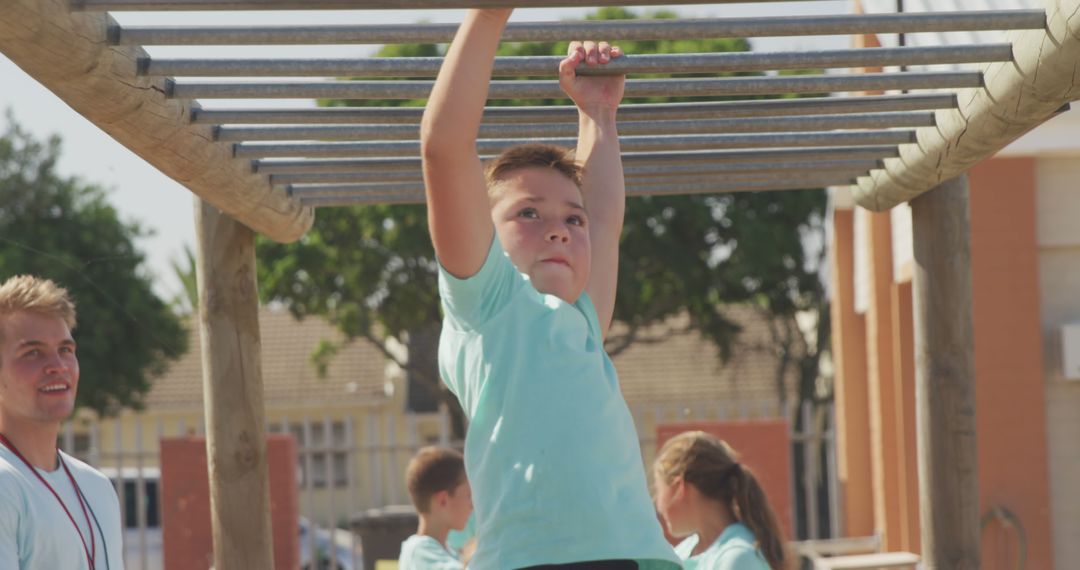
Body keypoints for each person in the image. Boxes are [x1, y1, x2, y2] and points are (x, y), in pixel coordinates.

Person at [422, 8, 680, 570]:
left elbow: (605, 216)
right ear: (482, 232)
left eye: (571, 219)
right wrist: (488, 16)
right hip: (532, 560)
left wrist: (599, 117)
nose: (559, 227)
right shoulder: (487, 303)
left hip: (629, 558)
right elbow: (445, 148)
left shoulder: (583, 322)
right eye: (529, 213)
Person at [0, 275, 125, 569]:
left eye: (66, 350)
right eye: (33, 353)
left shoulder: (97, 487)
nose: (58, 366)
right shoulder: (5, 484)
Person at [653, 431, 789, 570]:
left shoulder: (739, 559)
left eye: (658, 490)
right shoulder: (683, 552)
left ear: (679, 487)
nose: (657, 504)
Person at [399, 446, 473, 570]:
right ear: (443, 500)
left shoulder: (448, 552)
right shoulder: (418, 551)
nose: (472, 506)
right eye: (468, 495)